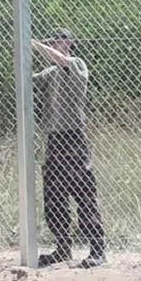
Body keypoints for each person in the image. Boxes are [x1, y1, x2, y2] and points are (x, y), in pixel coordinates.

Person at [32, 28, 105, 268]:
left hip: (74, 137)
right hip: (54, 138)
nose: (56, 44)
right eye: (53, 40)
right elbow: (27, 78)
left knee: (83, 192)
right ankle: (62, 248)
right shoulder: (49, 72)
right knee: (54, 194)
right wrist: (19, 51)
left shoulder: (76, 64)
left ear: (70, 43)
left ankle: (97, 250)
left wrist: (32, 42)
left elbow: (61, 60)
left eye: (60, 40)